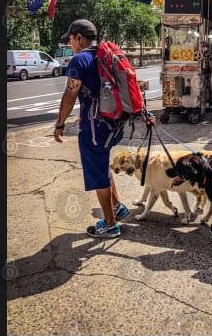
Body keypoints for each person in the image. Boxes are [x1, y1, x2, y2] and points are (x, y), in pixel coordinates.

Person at [53, 19, 155, 237]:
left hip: (96, 129)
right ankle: (117, 207)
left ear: (79, 37)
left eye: (70, 38)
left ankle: (109, 225)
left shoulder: (79, 60)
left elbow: (71, 94)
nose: (70, 43)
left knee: (98, 174)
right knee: (102, 166)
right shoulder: (106, 55)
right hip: (115, 125)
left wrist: (60, 124)